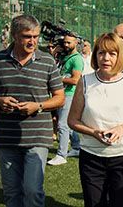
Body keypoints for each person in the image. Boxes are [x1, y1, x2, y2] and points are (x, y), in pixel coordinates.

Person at [0, 15, 65, 206]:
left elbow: (60, 98)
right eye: (27, 36)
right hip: (6, 137)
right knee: (11, 192)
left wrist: (38, 106)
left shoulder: (47, 61)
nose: (33, 41)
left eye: (35, 36)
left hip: (37, 136)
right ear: (15, 36)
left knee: (33, 191)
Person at [68, 33, 123, 207]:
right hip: (91, 157)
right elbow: (72, 120)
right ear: (95, 55)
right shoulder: (85, 81)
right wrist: (94, 132)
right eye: (101, 53)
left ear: (119, 56)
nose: (106, 58)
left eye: (112, 53)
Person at [48, 33, 84, 165]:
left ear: (76, 43)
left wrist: (59, 79)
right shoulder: (65, 56)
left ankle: (61, 155)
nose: (66, 45)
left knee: (62, 124)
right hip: (62, 93)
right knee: (69, 123)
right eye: (65, 42)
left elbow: (75, 80)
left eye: (69, 42)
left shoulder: (77, 59)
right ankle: (76, 147)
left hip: (70, 94)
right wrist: (53, 53)